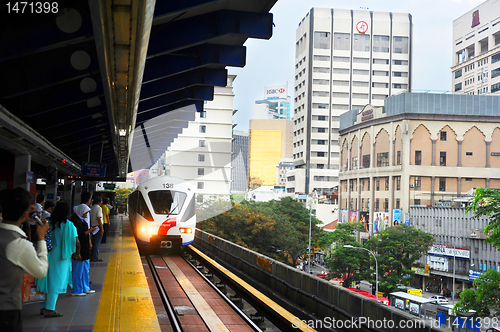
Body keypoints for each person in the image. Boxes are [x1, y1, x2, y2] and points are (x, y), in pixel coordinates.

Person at [0, 187, 49, 331]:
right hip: (6, 311)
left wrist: (23, 215)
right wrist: (41, 239)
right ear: (24, 213)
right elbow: (41, 272)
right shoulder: (19, 244)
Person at [36, 202, 78, 318]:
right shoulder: (69, 225)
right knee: (56, 282)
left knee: (46, 280)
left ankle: (43, 307)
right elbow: (76, 241)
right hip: (61, 257)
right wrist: (77, 253)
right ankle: (50, 309)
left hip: (47, 254)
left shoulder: (48, 223)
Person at [70, 204, 97, 296]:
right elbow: (79, 236)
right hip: (79, 249)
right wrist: (90, 231)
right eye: (85, 212)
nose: (86, 214)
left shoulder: (81, 220)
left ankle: (85, 287)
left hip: (84, 248)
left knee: (85, 269)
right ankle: (77, 289)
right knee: (77, 270)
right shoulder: (75, 221)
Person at [90, 197, 104, 262]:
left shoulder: (91, 208)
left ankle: (91, 256)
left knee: (92, 242)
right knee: (97, 243)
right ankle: (95, 257)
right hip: (98, 227)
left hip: (92, 227)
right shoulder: (99, 208)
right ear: (100, 202)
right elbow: (99, 218)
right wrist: (102, 228)